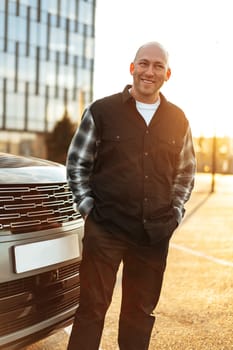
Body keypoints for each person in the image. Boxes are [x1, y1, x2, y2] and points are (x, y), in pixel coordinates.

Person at [66, 41, 196, 350]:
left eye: (157, 66)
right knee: (91, 311)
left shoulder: (179, 119)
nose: (149, 71)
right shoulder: (102, 111)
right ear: (132, 68)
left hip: (153, 235)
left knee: (140, 314)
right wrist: (89, 211)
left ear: (168, 73)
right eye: (144, 64)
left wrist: (175, 213)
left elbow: (186, 173)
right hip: (106, 230)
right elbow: (76, 164)